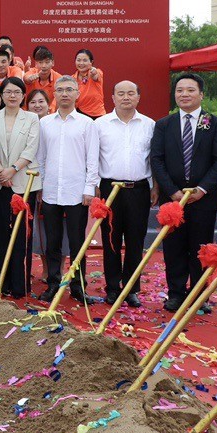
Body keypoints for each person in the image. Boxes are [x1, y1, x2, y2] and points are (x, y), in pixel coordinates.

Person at [150, 73, 217, 312]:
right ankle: (175, 294)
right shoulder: (164, 124)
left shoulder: (215, 123)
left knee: (201, 249)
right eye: (180, 90)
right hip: (172, 199)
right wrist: (172, 191)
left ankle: (198, 295)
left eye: (190, 90)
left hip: (203, 199)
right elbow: (157, 160)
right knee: (173, 247)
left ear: (201, 94)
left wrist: (202, 189)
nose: (184, 94)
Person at [37, 75, 99, 304]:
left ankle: (78, 286)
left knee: (77, 242)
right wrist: (41, 187)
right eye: (60, 89)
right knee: (52, 241)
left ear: (77, 93)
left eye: (69, 89)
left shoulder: (87, 124)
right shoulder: (44, 123)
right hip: (51, 189)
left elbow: (92, 160)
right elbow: (40, 158)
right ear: (54, 93)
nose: (64, 93)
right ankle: (53, 283)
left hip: (77, 192)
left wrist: (89, 188)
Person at [95, 80, 155, 308]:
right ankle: (112, 288)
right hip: (109, 189)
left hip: (138, 189)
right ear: (113, 97)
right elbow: (93, 157)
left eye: (131, 93)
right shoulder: (100, 124)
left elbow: (153, 160)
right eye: (121, 93)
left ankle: (131, 289)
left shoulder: (149, 124)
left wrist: (154, 187)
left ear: (139, 97)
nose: (126, 97)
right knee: (111, 240)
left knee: (135, 240)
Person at [0, 77, 40, 298]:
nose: (12, 96)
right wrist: (1, 170)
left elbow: (31, 148)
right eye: (8, 92)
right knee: (0, 233)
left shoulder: (32, 118)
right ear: (1, 94)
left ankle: (19, 284)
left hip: (24, 181)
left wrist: (12, 170)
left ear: (22, 95)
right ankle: (0, 281)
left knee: (21, 235)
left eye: (17, 92)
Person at [24, 48, 60, 112]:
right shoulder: (32, 72)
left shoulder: (58, 78)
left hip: (49, 113)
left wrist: (51, 110)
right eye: (40, 62)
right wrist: (30, 79)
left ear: (53, 63)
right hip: (29, 113)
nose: (43, 66)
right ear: (36, 64)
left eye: (47, 62)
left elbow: (58, 97)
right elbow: (26, 78)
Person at [74, 49, 105, 118]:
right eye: (78, 60)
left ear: (91, 62)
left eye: (85, 60)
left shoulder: (96, 72)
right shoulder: (72, 78)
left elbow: (95, 76)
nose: (81, 63)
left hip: (97, 114)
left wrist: (94, 72)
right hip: (79, 113)